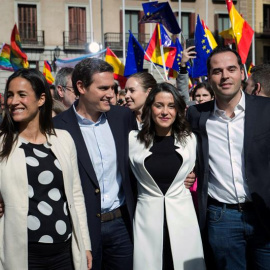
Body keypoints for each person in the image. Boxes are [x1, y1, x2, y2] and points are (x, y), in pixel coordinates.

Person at [187, 46, 270, 270]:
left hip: (264, 215)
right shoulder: (196, 114)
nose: (225, 76)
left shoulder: (266, 109)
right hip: (221, 218)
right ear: (208, 77)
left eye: (231, 69)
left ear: (242, 73)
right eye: (217, 71)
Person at [0, 68, 92, 270]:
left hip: (64, 252)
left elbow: (76, 196)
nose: (14, 101)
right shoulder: (1, 143)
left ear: (41, 99)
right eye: (10, 95)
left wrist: (85, 244)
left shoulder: (64, 139)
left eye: (22, 95)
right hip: (23, 254)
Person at [53, 58, 137, 270]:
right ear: (81, 87)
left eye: (112, 87)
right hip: (83, 228)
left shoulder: (123, 117)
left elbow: (139, 160)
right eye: (103, 88)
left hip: (122, 225)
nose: (111, 93)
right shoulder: (57, 127)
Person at [129, 82, 205, 270]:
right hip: (147, 225)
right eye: (159, 105)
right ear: (150, 108)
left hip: (183, 224)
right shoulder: (132, 140)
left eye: (171, 106)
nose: (165, 112)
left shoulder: (191, 140)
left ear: (178, 110)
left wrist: (193, 175)